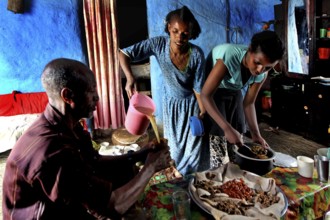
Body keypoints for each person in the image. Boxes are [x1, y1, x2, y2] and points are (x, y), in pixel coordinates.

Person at [2, 58, 172, 220]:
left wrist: (141, 154)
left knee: (125, 172)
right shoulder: (52, 152)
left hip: (58, 202)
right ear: (68, 96)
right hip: (45, 215)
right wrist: (151, 168)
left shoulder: (68, 124)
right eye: (91, 91)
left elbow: (94, 161)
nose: (97, 98)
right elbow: (111, 207)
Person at [119, 6, 209, 175]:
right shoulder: (158, 44)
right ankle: (178, 179)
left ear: (191, 32)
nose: (179, 37)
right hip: (171, 106)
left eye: (185, 33)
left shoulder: (197, 54)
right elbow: (123, 53)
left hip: (191, 106)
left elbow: (198, 88)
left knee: (194, 148)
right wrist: (130, 77)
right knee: (174, 148)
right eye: (175, 31)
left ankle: (192, 183)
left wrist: (203, 112)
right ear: (169, 27)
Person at [201, 30, 285, 168]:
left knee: (239, 132)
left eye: (267, 67)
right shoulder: (230, 56)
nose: (260, 70)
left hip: (233, 90)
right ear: (250, 49)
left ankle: (235, 171)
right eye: (257, 62)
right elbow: (205, 95)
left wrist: (256, 134)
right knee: (220, 135)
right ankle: (219, 170)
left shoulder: (262, 73)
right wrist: (226, 128)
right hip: (213, 91)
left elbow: (249, 103)